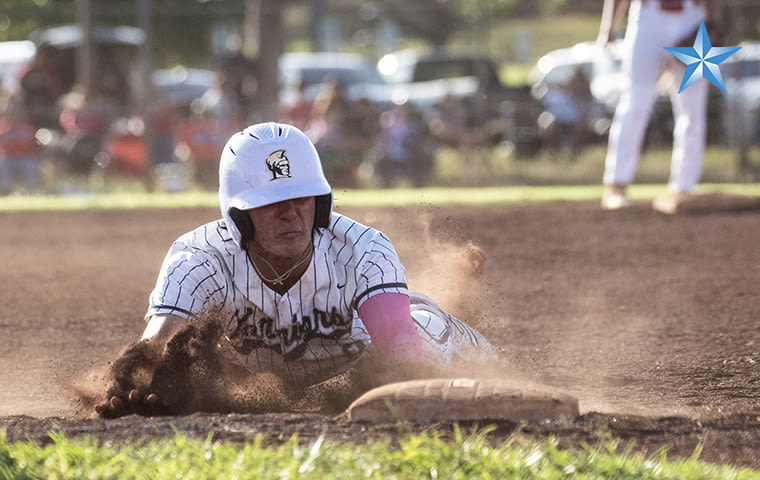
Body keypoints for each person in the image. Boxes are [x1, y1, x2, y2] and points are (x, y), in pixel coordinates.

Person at [95, 121, 498, 417]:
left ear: (321, 202)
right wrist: (133, 385)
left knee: (445, 354)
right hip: (273, 377)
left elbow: (401, 349)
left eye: (302, 198)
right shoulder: (199, 258)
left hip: (372, 351)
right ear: (238, 215)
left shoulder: (362, 248)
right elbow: (152, 346)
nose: (290, 213)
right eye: (272, 202)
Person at [597, 0, 724, 211]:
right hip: (649, 18)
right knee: (634, 103)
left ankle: (683, 189)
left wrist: (715, 21)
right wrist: (608, 27)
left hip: (691, 16)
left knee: (693, 112)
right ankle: (616, 186)